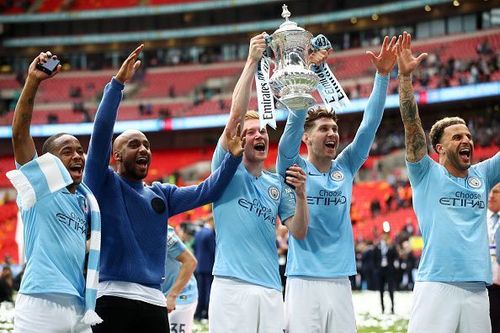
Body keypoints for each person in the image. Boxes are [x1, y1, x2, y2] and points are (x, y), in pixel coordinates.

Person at [84, 45, 244, 333]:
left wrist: (232, 159)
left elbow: (207, 191)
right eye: (134, 144)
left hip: (154, 302)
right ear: (116, 156)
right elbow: (100, 136)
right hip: (111, 297)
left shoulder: (161, 194)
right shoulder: (103, 182)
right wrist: (117, 86)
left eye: (146, 144)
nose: (144, 148)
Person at [277, 36, 399, 332]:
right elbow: (292, 127)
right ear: (307, 137)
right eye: (323, 128)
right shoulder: (292, 164)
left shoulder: (345, 166)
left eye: (334, 128)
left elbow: (369, 126)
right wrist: (306, 78)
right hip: (303, 280)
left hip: (341, 280)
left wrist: (382, 76)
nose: (332, 133)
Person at [396, 31, 499, 333]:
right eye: (457, 137)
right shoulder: (426, 173)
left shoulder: (482, 174)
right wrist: (404, 79)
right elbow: (411, 123)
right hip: (436, 286)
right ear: (439, 148)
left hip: (478, 290)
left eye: (468, 135)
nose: (467, 140)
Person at [208, 34, 310, 333]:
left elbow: (300, 232)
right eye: (251, 132)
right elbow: (235, 116)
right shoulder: (226, 171)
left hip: (269, 288)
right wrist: (252, 61)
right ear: (240, 138)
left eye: (264, 131)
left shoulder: (276, 183)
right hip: (231, 286)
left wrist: (301, 195)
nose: (260, 135)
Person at [6, 51, 101, 332]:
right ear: (47, 163)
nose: (78, 156)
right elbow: (20, 134)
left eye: (80, 151)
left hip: (78, 305)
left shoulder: (86, 203)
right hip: (40, 303)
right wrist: (33, 82)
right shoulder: (40, 189)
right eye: (67, 151)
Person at [161, 226, 198, 333]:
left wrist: (172, 296)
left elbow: (190, 262)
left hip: (180, 297)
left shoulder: (164, 231)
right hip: (160, 296)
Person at [192, 215, 215, 320]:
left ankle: (198, 313)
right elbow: (213, 251)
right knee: (208, 291)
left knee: (200, 291)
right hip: (209, 266)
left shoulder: (198, 233)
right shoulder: (210, 234)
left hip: (199, 266)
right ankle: (206, 313)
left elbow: (195, 248)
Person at [373, 233, 398, 314]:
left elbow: (396, 256)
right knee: (381, 290)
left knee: (391, 289)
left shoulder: (391, 246)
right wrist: (376, 269)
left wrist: (391, 247)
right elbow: (374, 258)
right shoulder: (378, 246)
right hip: (380, 271)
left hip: (389, 270)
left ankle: (392, 307)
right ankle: (382, 308)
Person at [487, 183, 500, 331]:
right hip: (485, 286)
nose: (491, 196)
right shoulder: (478, 219)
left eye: (496, 192)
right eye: (490, 192)